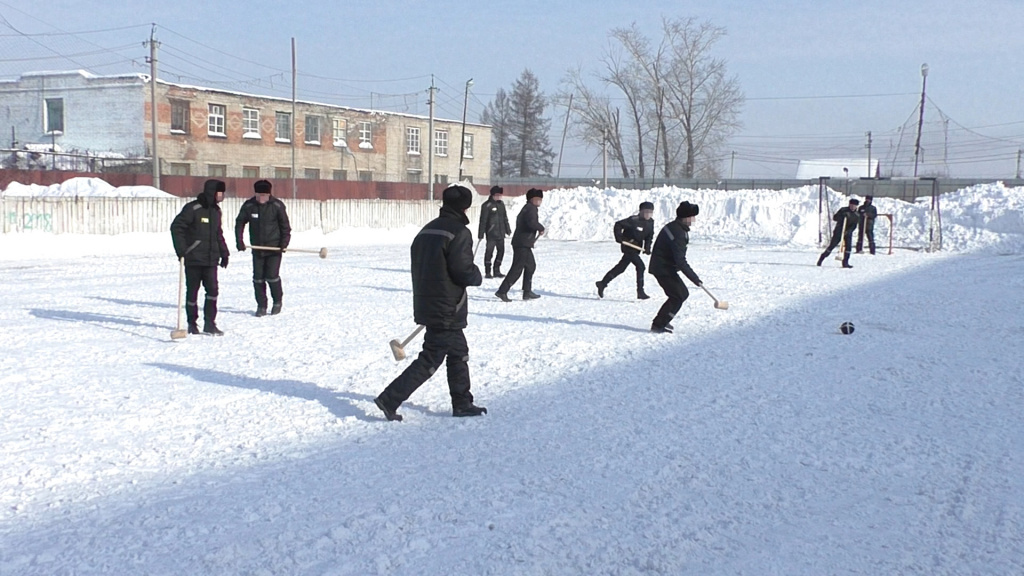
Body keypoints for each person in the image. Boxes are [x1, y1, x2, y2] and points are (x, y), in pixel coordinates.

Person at [374, 185, 486, 421]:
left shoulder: (425, 231)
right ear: (465, 207)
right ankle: (390, 398)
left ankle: (462, 403)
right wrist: (476, 274)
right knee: (430, 359)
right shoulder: (459, 232)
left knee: (458, 353)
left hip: (428, 303)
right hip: (448, 307)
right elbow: (462, 271)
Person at [170, 179, 230, 335]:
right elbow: (177, 227)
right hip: (193, 258)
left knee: (213, 291)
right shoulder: (193, 209)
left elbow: (218, 234)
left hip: (211, 259)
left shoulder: (216, 211)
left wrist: (224, 252)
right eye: (220, 192)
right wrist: (182, 250)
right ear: (213, 192)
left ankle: (210, 323)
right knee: (193, 291)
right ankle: (192, 323)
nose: (222, 196)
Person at [235, 179, 292, 316]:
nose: (261, 198)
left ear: (269, 194)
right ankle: (261, 305)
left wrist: (283, 244)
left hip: (274, 249)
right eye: (259, 195)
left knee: (272, 277)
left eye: (264, 195)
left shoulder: (277, 206)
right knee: (258, 278)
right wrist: (239, 241)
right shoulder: (249, 206)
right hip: (257, 248)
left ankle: (277, 302)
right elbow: (240, 223)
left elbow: (285, 227)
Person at [648, 201, 704, 334]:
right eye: (692, 217)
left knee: (680, 294)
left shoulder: (675, 227)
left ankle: (663, 321)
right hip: (662, 268)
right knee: (678, 295)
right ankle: (658, 324)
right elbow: (680, 260)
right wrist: (695, 279)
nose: (694, 220)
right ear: (685, 217)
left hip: (664, 266)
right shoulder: (678, 233)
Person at [596, 201, 655, 300]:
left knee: (621, 268)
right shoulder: (633, 220)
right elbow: (618, 225)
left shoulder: (650, 222)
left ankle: (602, 283)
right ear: (640, 211)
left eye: (650, 212)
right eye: (646, 211)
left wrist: (647, 247)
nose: (648, 214)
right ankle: (640, 291)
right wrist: (619, 237)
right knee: (641, 266)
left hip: (636, 249)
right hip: (628, 247)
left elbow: (649, 236)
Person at [495, 188, 545, 301]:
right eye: (537, 199)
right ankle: (502, 291)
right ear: (532, 199)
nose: (539, 201)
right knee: (517, 268)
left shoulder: (528, 208)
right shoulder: (531, 209)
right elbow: (531, 223)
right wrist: (540, 228)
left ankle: (527, 291)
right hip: (522, 243)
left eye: (540, 199)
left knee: (530, 266)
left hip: (523, 243)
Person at [478, 185, 512, 278]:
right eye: (497, 195)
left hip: (501, 233)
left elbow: (505, 218)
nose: (499, 197)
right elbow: (483, 220)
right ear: (492, 195)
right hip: (491, 234)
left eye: (500, 195)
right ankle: (488, 271)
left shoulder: (501, 205)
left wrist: (507, 229)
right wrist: (481, 233)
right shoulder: (486, 205)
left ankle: (497, 270)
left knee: (501, 252)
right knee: (489, 252)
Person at [817, 198, 860, 268]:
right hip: (839, 231)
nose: (852, 207)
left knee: (848, 248)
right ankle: (822, 258)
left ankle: (845, 263)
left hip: (848, 233)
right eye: (851, 205)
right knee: (832, 246)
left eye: (854, 205)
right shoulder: (843, 210)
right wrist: (842, 216)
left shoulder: (857, 215)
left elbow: (854, 225)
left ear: (856, 206)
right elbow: (835, 218)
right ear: (849, 204)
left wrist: (849, 231)